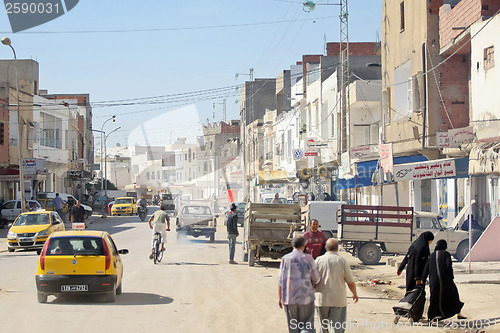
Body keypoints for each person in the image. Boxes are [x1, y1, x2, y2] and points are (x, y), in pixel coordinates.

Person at [278, 235, 321, 333]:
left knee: (293, 327)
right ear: (304, 245)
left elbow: (280, 280)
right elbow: (316, 278)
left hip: (289, 298)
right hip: (306, 297)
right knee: (307, 325)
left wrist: (280, 297)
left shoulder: (285, 259)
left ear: (292, 244)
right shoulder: (309, 258)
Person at [315, 238, 358, 333]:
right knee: (337, 328)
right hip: (338, 300)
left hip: (322, 300)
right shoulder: (342, 261)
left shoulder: (318, 260)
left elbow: (312, 280)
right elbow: (350, 281)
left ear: (326, 248)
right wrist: (354, 294)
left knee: (323, 328)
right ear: (337, 248)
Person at [422, 239, 465, 321]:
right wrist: (451, 278)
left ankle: (431, 317)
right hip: (445, 280)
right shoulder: (446, 254)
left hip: (434, 281)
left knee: (434, 298)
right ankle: (456, 313)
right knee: (454, 296)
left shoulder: (431, 256)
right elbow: (449, 266)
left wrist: (423, 279)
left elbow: (426, 269)